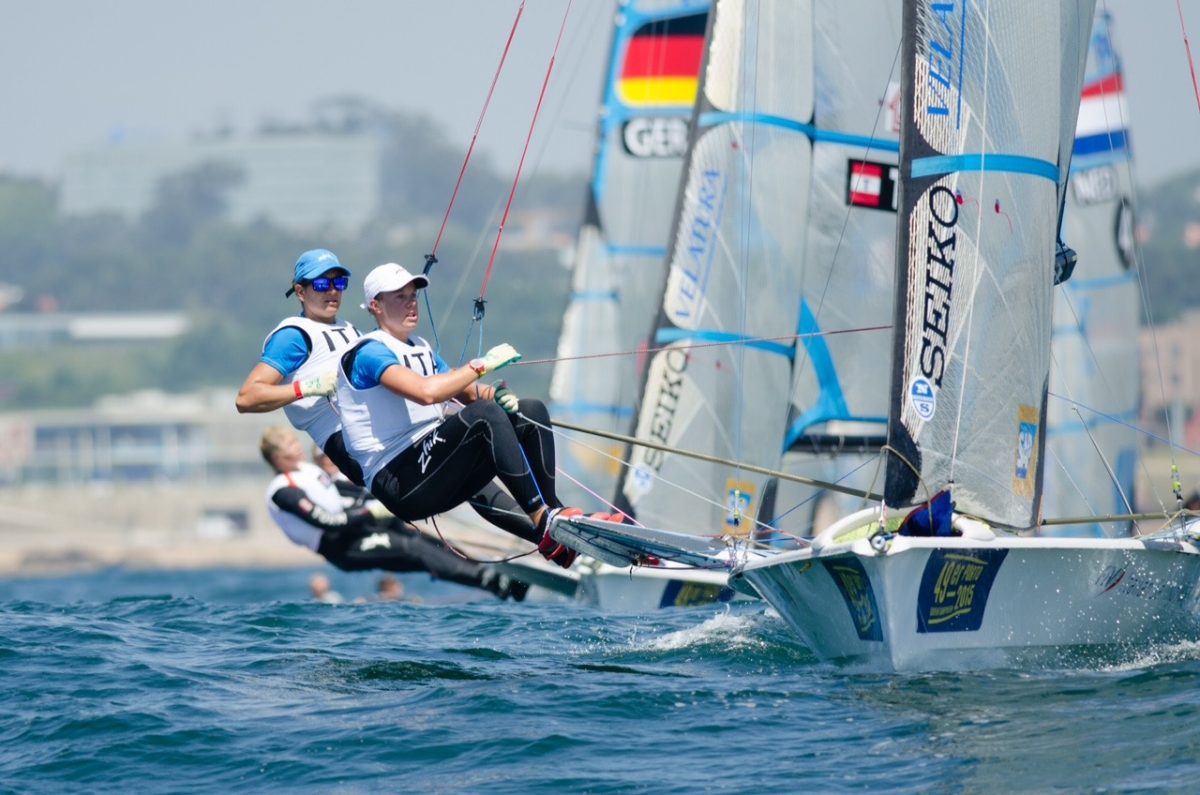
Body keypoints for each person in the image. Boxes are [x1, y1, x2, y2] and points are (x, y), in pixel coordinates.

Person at [237, 248, 538, 540]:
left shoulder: (352, 332)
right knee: (467, 463)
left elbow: (436, 379)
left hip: (391, 422)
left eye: (339, 283)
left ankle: (548, 532)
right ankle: (542, 530)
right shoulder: (294, 335)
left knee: (475, 447)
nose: (332, 291)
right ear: (300, 292)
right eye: (321, 284)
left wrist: (488, 393)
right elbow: (247, 398)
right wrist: (307, 387)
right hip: (348, 439)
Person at [335, 262, 610, 569]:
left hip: (432, 466)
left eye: (413, 296)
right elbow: (426, 392)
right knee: (483, 416)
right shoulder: (369, 352)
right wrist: (480, 366)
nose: (411, 303)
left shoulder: (421, 348)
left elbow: (464, 391)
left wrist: (498, 396)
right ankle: (542, 521)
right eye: (400, 297)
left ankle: (552, 518)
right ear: (376, 306)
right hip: (401, 479)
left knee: (530, 410)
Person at [260, 425, 528, 601]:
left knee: (424, 539)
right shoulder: (282, 490)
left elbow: (351, 493)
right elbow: (330, 522)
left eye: (295, 442)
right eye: (289, 446)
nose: (297, 448)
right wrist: (371, 512)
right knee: (413, 550)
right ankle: (490, 581)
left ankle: (492, 574)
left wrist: (384, 499)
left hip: (358, 527)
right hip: (341, 545)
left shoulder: (309, 471)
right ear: (276, 457)